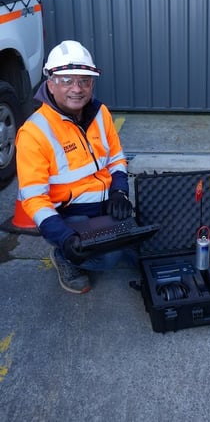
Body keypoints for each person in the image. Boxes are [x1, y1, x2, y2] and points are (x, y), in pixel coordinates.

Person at [15, 40, 134, 294]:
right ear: (51, 83)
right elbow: (34, 199)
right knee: (109, 258)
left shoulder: (100, 113)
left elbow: (116, 158)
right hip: (70, 216)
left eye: (84, 80)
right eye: (67, 80)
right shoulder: (34, 132)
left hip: (105, 205)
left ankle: (107, 238)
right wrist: (64, 237)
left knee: (136, 241)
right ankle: (63, 256)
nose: (77, 89)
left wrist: (120, 192)